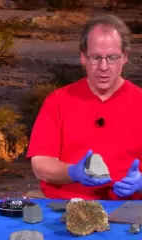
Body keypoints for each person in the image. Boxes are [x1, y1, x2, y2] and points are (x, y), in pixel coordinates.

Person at [26, 14, 142, 200]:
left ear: (125, 57)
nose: (103, 66)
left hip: (129, 210)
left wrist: (141, 184)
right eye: (95, 57)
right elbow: (41, 164)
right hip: (64, 207)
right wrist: (72, 173)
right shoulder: (57, 101)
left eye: (112, 57)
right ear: (83, 57)